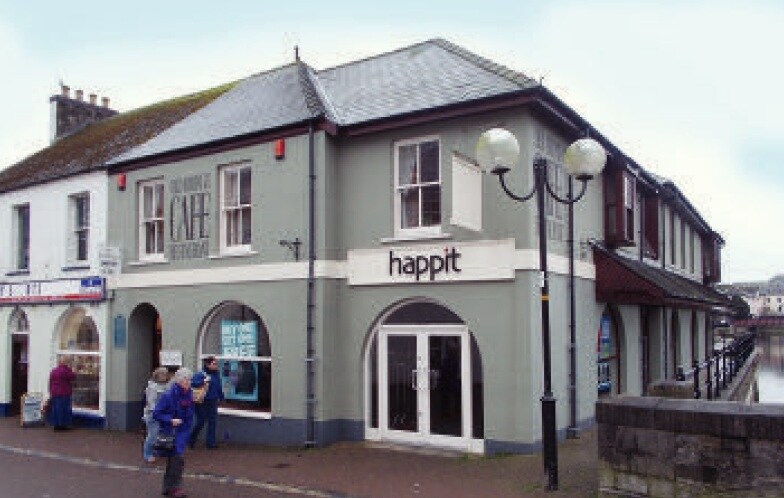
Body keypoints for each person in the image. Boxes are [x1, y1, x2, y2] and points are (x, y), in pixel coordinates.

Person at [153, 367, 194, 498]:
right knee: (177, 460)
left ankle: (168, 488)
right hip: (171, 432)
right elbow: (156, 414)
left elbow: (189, 414)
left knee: (175, 461)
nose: (188, 382)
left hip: (183, 432)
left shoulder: (189, 394)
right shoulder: (168, 395)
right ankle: (174, 488)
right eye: (186, 380)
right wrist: (170, 420)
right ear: (179, 381)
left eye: (189, 380)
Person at [189, 356, 224, 449]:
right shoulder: (201, 374)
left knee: (212, 422)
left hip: (213, 401)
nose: (216, 366)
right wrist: (203, 381)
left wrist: (221, 397)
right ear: (208, 365)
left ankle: (211, 443)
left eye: (216, 364)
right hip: (202, 401)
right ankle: (191, 438)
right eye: (214, 364)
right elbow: (192, 383)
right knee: (201, 421)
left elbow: (218, 386)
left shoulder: (216, 374)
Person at [142, 367, 170, 463]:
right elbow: (151, 402)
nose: (165, 376)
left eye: (166, 374)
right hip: (152, 414)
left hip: (162, 413)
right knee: (153, 435)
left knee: (162, 435)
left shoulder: (166, 386)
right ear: (157, 375)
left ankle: (159, 451)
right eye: (163, 374)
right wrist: (157, 412)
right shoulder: (152, 387)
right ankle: (147, 454)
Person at [48, 357, 76, 431]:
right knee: (64, 409)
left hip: (54, 392)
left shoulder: (53, 371)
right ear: (65, 363)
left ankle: (56, 425)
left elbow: (50, 382)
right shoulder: (66, 370)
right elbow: (73, 377)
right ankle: (63, 425)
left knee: (56, 409)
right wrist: (72, 369)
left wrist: (50, 391)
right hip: (64, 392)